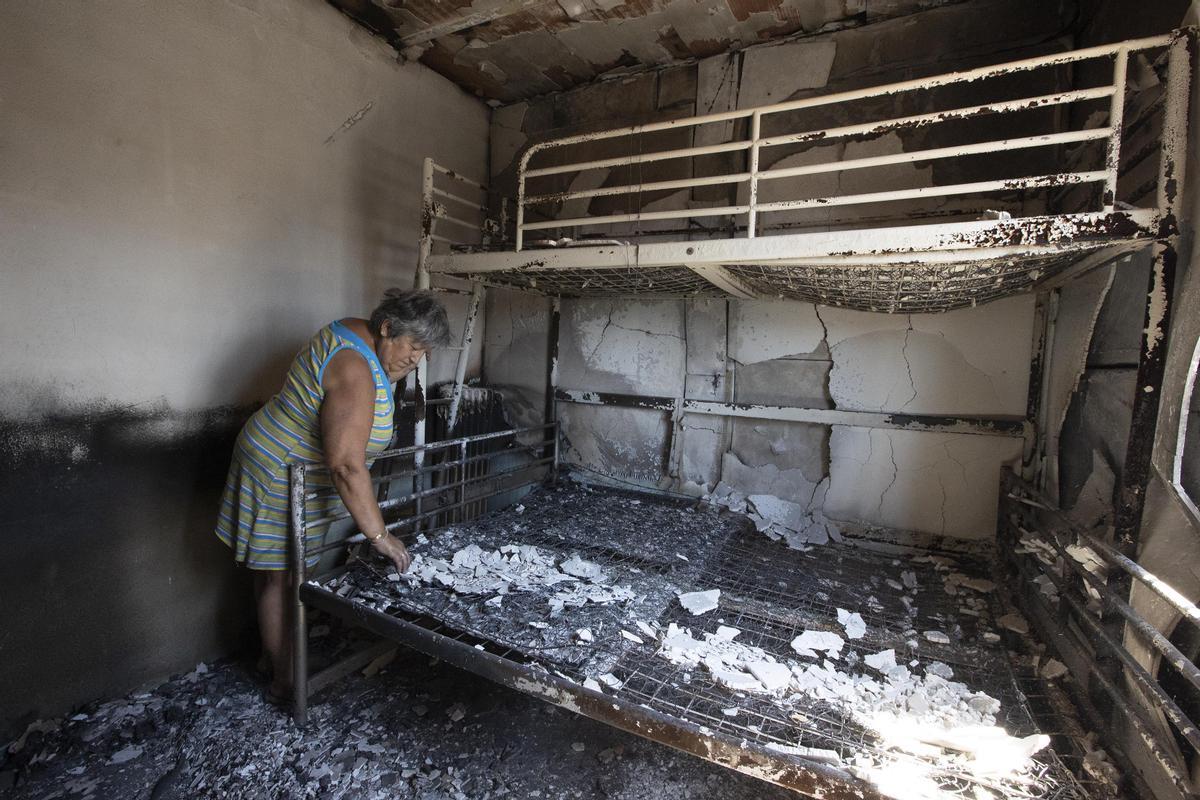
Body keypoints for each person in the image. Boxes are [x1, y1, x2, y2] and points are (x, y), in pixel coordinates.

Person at [214, 289, 451, 703]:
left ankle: (276, 659)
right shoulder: (354, 366)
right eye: (412, 347)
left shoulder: (360, 335)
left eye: (424, 351)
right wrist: (380, 536)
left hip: (294, 469)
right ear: (386, 328)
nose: (417, 359)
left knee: (278, 570)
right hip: (278, 470)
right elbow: (344, 463)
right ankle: (287, 684)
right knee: (283, 575)